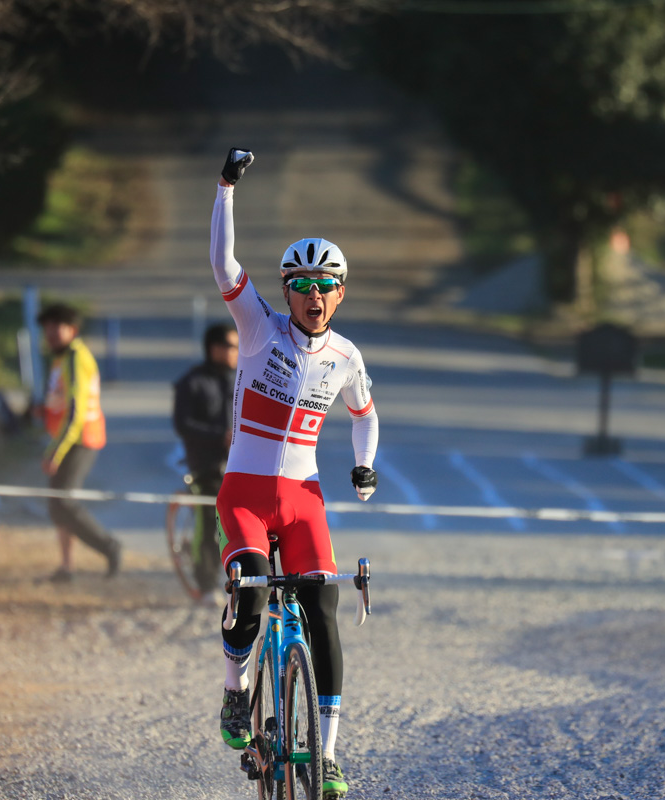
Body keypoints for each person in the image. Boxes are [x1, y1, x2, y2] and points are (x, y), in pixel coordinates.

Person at [210, 148, 379, 799]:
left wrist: (364, 466)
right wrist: (226, 187)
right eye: (301, 286)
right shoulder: (258, 329)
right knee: (251, 593)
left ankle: (329, 754)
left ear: (341, 291)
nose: (313, 297)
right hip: (247, 494)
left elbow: (365, 416)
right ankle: (235, 691)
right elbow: (224, 265)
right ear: (285, 292)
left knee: (323, 610)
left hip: (304, 498)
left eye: (325, 286)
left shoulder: (345, 355)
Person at [37, 303, 122, 581]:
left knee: (65, 503)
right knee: (56, 504)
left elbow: (75, 412)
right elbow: (59, 402)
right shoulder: (61, 358)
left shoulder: (75, 357)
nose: (50, 332)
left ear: (72, 330)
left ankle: (109, 547)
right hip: (69, 439)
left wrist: (54, 451)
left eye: (56, 326)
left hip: (80, 440)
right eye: (47, 326)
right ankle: (66, 566)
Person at [172, 322, 238, 601]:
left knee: (236, 526)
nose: (237, 352)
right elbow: (182, 424)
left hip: (237, 467)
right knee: (208, 525)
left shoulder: (242, 379)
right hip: (205, 466)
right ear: (215, 348)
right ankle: (206, 583)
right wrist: (218, 437)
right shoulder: (192, 382)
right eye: (232, 346)